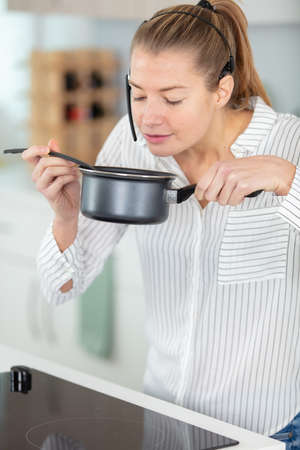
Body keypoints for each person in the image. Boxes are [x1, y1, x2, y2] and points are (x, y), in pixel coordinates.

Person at [22, 0, 300, 445]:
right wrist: (65, 216)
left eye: (171, 98)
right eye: (137, 93)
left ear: (221, 90)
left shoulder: (291, 141)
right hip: (163, 423)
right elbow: (58, 290)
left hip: (267, 432)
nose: (149, 116)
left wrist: (289, 179)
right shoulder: (132, 146)